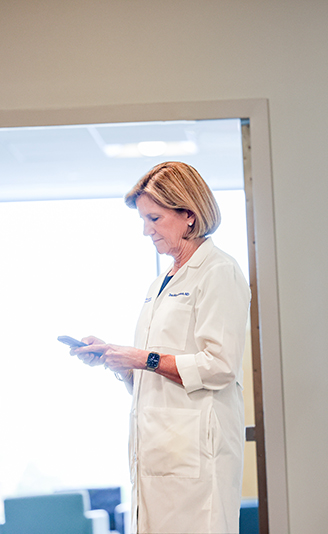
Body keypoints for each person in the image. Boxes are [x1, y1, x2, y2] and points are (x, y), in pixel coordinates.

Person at [70, 162, 251, 534]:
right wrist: (117, 362)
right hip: (158, 451)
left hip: (196, 457)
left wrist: (140, 358)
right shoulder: (159, 284)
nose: (145, 230)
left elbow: (219, 365)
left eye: (153, 218)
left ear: (188, 214)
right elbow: (156, 374)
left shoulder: (219, 271)